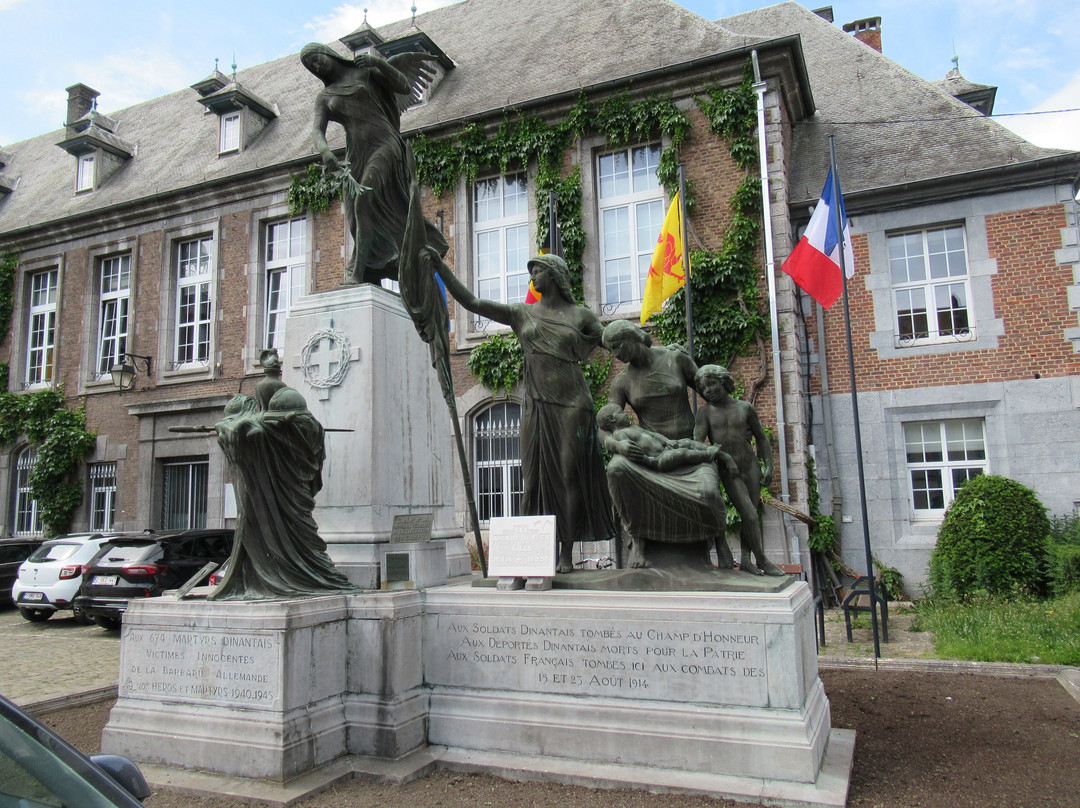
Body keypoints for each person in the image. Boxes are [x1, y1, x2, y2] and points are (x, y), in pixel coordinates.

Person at [433, 252, 614, 573]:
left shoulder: (580, 315)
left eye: (538, 271)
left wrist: (641, 345)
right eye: (531, 271)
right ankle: (533, 550)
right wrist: (441, 268)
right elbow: (473, 303)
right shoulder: (521, 313)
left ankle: (566, 552)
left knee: (570, 475)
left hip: (573, 402)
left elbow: (611, 339)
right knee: (531, 479)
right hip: (536, 402)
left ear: (555, 276)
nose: (532, 277)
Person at [209, 358, 356, 600]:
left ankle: (295, 571)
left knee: (297, 527)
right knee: (290, 528)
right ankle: (284, 572)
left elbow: (307, 453)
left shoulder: (279, 427)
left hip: (290, 495)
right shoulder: (266, 428)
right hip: (276, 498)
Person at [301, 42, 445, 284]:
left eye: (316, 57)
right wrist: (325, 151)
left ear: (327, 53)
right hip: (356, 156)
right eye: (311, 65)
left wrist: (378, 64)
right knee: (355, 220)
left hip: (385, 145)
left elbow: (403, 85)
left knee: (363, 200)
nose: (317, 65)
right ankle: (373, 270)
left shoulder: (365, 71)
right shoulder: (325, 97)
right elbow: (317, 131)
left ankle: (357, 272)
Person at [600, 321, 734, 569]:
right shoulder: (622, 381)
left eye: (618, 346)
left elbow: (709, 390)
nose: (616, 354)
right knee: (616, 469)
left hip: (688, 450)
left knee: (709, 493)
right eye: (611, 351)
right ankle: (639, 541)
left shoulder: (676, 359)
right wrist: (616, 446)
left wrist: (737, 417)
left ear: (632, 337)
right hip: (650, 456)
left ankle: (720, 539)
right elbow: (604, 425)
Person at [694, 364, 784, 576]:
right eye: (703, 388)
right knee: (750, 515)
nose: (708, 391)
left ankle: (746, 559)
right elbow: (697, 444)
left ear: (723, 381)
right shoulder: (704, 413)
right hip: (729, 470)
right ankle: (762, 560)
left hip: (750, 465)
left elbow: (761, 438)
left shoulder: (745, 408)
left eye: (711, 384)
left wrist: (769, 466)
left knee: (751, 515)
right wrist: (721, 456)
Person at [597, 403, 725, 472]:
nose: (625, 414)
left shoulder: (633, 428)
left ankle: (707, 448)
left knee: (686, 442)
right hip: (659, 460)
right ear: (612, 419)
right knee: (682, 453)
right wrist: (648, 460)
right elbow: (634, 453)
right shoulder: (620, 435)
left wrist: (667, 441)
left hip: (665, 448)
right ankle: (707, 455)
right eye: (620, 412)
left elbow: (653, 434)